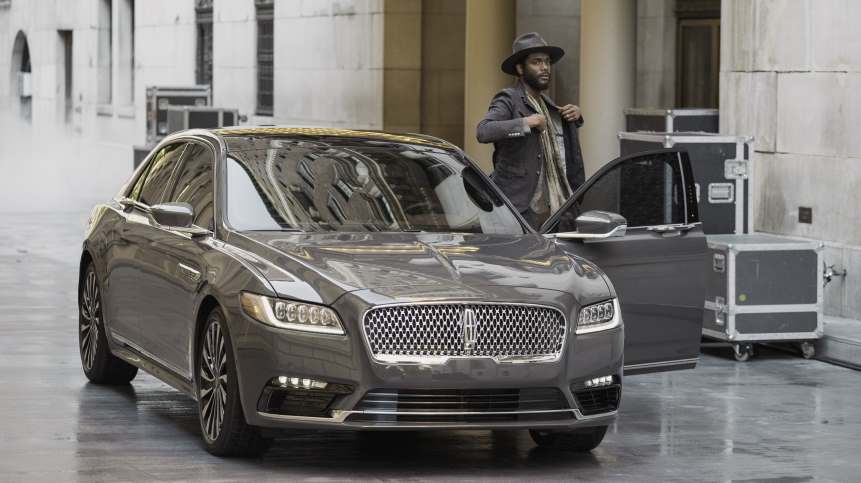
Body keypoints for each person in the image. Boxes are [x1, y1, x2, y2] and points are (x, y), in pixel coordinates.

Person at [476, 32, 586, 229]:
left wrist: (576, 115)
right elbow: (484, 131)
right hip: (519, 209)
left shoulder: (547, 105)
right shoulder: (508, 99)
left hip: (558, 209)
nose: (544, 68)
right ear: (520, 68)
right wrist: (526, 122)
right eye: (536, 62)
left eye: (547, 62)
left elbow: (563, 147)